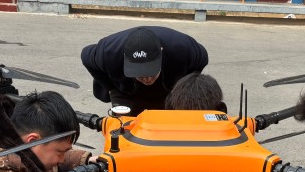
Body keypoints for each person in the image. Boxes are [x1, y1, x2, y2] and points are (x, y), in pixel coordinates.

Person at [80, 26, 209, 116]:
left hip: (168, 88)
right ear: (125, 57)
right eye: (140, 75)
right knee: (124, 129)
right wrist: (111, 87)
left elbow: (203, 59)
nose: (147, 79)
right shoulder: (108, 52)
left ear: (161, 52)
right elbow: (85, 57)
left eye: (152, 73)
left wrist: (184, 86)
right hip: (126, 91)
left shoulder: (182, 47)